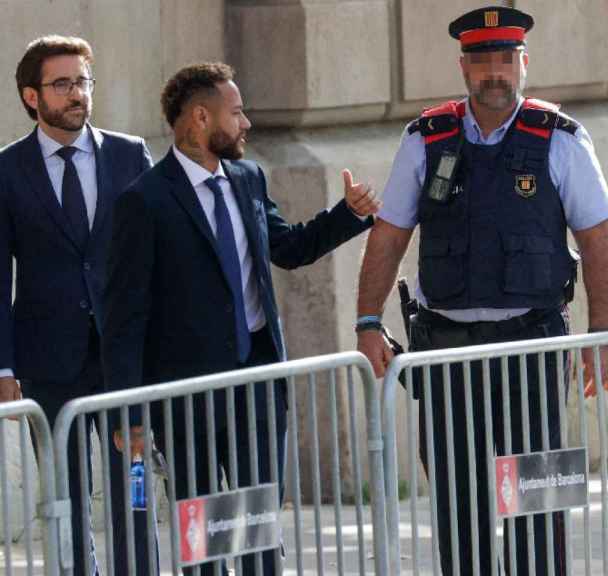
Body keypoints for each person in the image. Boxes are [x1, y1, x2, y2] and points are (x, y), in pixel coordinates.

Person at [355, 6, 608, 575]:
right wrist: (367, 321)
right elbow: (389, 236)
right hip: (446, 351)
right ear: (463, 67)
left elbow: (598, 241)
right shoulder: (425, 138)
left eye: (505, 58)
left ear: (524, 62)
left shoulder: (561, 139)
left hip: (531, 348)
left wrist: (603, 332)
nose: (493, 72)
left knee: (536, 502)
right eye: (481, 61)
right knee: (458, 503)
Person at [101, 62, 379, 575]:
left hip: (256, 386)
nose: (247, 123)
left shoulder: (247, 179)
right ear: (202, 118)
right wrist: (130, 411)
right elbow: (125, 314)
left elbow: (289, 248)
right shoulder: (145, 201)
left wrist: (349, 214)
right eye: (237, 111)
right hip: (186, 399)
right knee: (203, 540)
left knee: (258, 533)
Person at [0, 35, 154, 576]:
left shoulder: (130, 154)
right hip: (49, 361)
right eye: (61, 84)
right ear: (31, 96)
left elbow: (158, 252)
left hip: (124, 358)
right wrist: (4, 363)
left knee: (132, 490)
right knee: (63, 497)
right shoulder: (7, 169)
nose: (76, 94)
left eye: (82, 81)